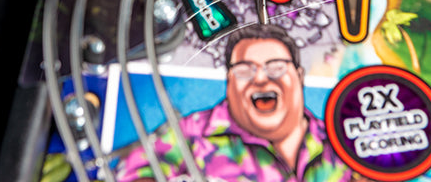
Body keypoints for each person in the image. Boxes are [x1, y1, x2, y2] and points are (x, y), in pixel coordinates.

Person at [116, 24, 360, 181]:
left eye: (276, 67)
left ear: (299, 76)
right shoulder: (195, 134)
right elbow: (136, 170)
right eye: (245, 71)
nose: (261, 79)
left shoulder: (343, 142)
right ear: (230, 81)